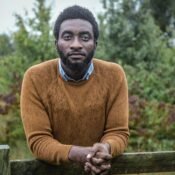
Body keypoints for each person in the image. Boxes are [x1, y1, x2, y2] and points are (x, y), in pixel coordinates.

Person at [20, 5, 129, 175]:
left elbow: (118, 132)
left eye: (85, 37)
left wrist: (106, 148)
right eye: (68, 37)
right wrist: (83, 154)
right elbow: (39, 141)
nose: (76, 45)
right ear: (57, 43)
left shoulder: (114, 75)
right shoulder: (35, 78)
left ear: (95, 44)